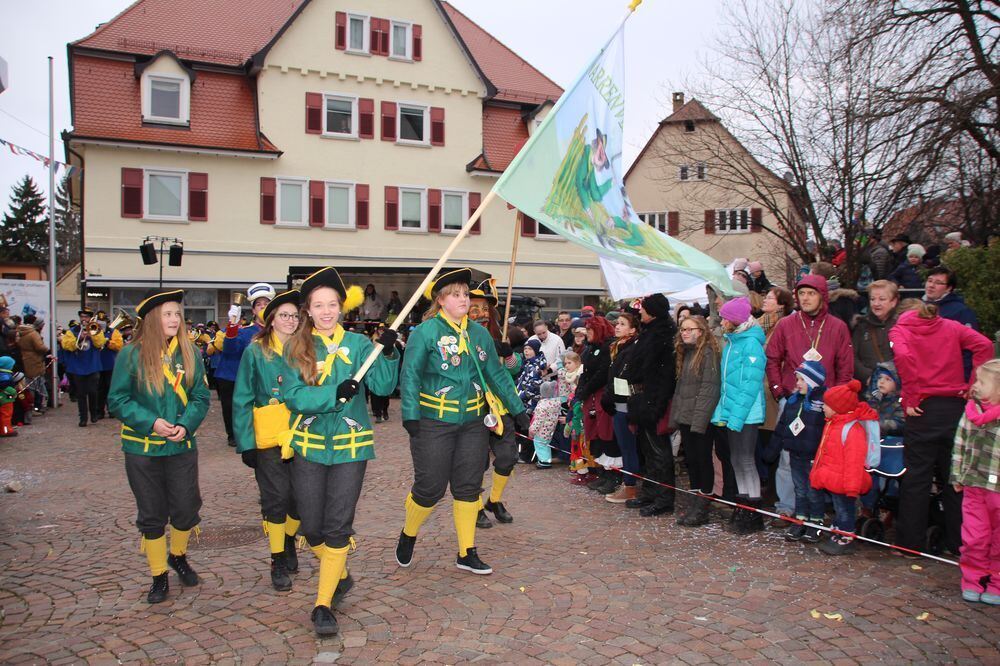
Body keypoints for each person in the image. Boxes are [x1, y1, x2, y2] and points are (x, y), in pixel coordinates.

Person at [279, 268, 399, 636]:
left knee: (336, 527)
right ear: (308, 311)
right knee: (312, 527)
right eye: (319, 305)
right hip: (310, 447)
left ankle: (322, 604)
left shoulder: (361, 346)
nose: (327, 311)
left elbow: (383, 385)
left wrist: (388, 352)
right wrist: (334, 394)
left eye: (333, 304)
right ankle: (340, 574)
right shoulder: (297, 347)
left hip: (351, 448)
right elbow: (294, 397)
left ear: (341, 306)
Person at [395, 268, 528, 577]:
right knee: (430, 488)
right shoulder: (425, 333)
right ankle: (409, 532)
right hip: (432, 422)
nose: (464, 300)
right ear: (440, 300)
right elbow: (411, 375)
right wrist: (410, 415)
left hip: (472, 421)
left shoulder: (480, 334)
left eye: (466, 294)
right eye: (456, 294)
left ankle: (467, 552)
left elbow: (495, 375)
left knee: (468, 487)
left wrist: (516, 408)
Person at [106, 290, 211, 604]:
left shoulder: (191, 352)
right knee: (151, 514)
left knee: (186, 508)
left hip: (181, 446)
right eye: (167, 314)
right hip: (142, 448)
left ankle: (177, 555)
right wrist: (151, 422)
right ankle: (158, 576)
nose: (174, 319)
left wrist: (186, 424)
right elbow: (118, 400)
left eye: (176, 314)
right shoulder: (131, 354)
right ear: (152, 319)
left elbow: (201, 397)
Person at [889, 300, 993, 557]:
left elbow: (902, 356)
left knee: (917, 478)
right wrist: (973, 384)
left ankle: (910, 544)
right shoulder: (950, 326)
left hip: (923, 408)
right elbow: (985, 345)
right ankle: (958, 542)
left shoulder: (900, 329)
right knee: (954, 477)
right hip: (954, 407)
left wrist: (911, 395)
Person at [766, 275, 854, 523]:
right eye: (801, 293)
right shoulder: (786, 324)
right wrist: (778, 389)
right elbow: (772, 358)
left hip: (824, 404)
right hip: (793, 399)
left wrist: (836, 400)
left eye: (811, 293)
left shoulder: (837, 327)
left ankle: (816, 509)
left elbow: (845, 367)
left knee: (822, 457)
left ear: (822, 296)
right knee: (787, 457)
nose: (805, 298)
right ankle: (787, 507)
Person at [232, 290, 303, 592]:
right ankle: (277, 558)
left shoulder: (307, 349)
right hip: (269, 437)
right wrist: (245, 442)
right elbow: (242, 398)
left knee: (301, 500)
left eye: (295, 316)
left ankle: (288, 538)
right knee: (276, 499)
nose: (290, 320)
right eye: (284, 315)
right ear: (271, 319)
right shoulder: (256, 351)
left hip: (302, 433)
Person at [711, 297, 767, 533]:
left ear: (735, 320)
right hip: (733, 410)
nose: (722, 321)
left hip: (747, 413)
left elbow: (749, 384)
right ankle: (742, 504)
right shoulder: (733, 342)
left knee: (745, 460)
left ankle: (753, 511)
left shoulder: (750, 344)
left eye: (725, 317)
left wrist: (736, 415)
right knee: (735, 459)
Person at [620, 293, 677, 516]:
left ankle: (664, 497)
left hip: (654, 399)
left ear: (652, 311)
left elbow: (663, 374)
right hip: (644, 398)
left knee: (658, 451)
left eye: (643, 309)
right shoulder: (651, 332)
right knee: (647, 450)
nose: (640, 312)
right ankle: (650, 492)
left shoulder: (662, 334)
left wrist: (655, 403)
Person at [951, 359, 1000, 605]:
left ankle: (996, 583)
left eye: (982, 382)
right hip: (974, 485)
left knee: (999, 540)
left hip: (998, 490)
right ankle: (972, 580)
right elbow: (959, 445)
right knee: (974, 537)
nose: (977, 386)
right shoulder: (971, 412)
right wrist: (957, 474)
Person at [670, 315, 721, 527]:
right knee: (692, 460)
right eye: (683, 329)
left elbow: (709, 390)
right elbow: (682, 390)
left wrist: (698, 422)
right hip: (687, 417)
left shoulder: (707, 354)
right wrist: (678, 417)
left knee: (702, 460)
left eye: (690, 329)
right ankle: (694, 498)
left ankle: (703, 504)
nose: (685, 333)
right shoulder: (687, 353)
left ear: (701, 331)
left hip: (700, 419)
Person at [768, 361, 827, 544]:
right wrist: (772, 450)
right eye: (797, 379)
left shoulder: (822, 404)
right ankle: (800, 520)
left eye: (802, 379)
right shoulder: (792, 402)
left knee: (813, 492)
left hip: (813, 457)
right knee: (800, 490)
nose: (798, 383)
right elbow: (782, 427)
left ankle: (816, 523)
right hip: (795, 454)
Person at [213, 283, 275, 446]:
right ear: (253, 311)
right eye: (258, 305)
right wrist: (232, 324)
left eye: (266, 304)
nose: (262, 308)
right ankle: (233, 435)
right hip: (233, 375)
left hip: (260, 379)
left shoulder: (278, 331)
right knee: (232, 407)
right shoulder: (245, 331)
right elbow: (229, 347)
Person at [575, 316, 620, 494]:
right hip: (591, 397)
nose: (588, 333)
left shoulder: (607, 348)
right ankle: (602, 472)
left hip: (602, 396)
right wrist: (581, 391)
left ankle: (613, 475)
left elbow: (602, 374)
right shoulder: (590, 349)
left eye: (591, 330)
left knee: (606, 434)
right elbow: (586, 372)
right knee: (596, 436)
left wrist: (585, 390)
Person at [601, 312, 642, 504]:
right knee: (625, 447)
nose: (617, 327)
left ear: (633, 329)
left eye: (623, 324)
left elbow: (624, 378)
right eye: (617, 323)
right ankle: (627, 483)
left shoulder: (631, 349)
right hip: (617, 403)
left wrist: (612, 395)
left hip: (625, 404)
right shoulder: (618, 347)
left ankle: (630, 486)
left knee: (628, 448)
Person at [60, 307, 109, 427]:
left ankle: (93, 414)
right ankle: (83, 418)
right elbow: (66, 345)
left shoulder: (96, 329)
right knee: (81, 394)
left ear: (90, 318)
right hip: (78, 367)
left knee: (93, 391)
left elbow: (100, 343)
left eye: (86, 317)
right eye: (82, 317)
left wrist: (92, 335)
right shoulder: (72, 331)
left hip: (93, 365)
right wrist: (80, 337)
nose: (84, 319)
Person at [852, 280, 899, 385]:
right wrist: (868, 376)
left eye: (882, 299)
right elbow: (852, 356)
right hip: (869, 387)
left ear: (893, 302)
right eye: (872, 299)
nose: (876, 303)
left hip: (896, 386)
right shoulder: (861, 325)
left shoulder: (902, 325)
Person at [16, 315, 50, 414]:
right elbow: (40, 347)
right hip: (35, 360)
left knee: (28, 384)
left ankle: (31, 407)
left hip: (25, 359)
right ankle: (36, 407)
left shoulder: (20, 332)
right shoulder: (33, 334)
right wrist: (47, 350)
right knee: (36, 384)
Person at [96, 311, 125, 420]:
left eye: (103, 321)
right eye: (99, 321)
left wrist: (108, 342)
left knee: (110, 388)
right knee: (99, 389)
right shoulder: (94, 331)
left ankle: (111, 410)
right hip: (98, 365)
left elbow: (119, 345)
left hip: (111, 364)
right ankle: (99, 411)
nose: (101, 323)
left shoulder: (114, 332)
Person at [529, 381, 561, 468]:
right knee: (546, 444)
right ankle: (547, 459)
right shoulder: (556, 403)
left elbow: (538, 420)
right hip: (550, 429)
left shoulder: (542, 406)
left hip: (541, 431)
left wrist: (532, 429)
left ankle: (544, 462)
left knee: (540, 445)